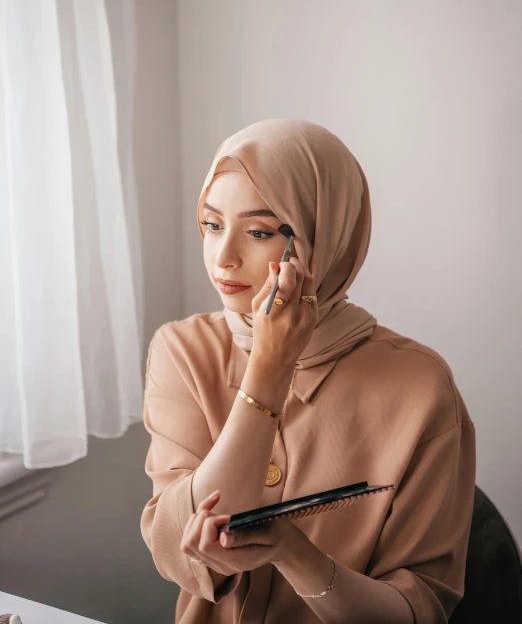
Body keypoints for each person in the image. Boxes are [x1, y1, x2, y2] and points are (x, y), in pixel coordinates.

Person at [140, 118, 476, 624]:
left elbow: (418, 611)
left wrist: (296, 554)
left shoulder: (421, 387)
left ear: (327, 236)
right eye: (212, 225)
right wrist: (268, 372)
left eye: (258, 232)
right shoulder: (183, 350)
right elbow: (176, 553)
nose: (223, 257)